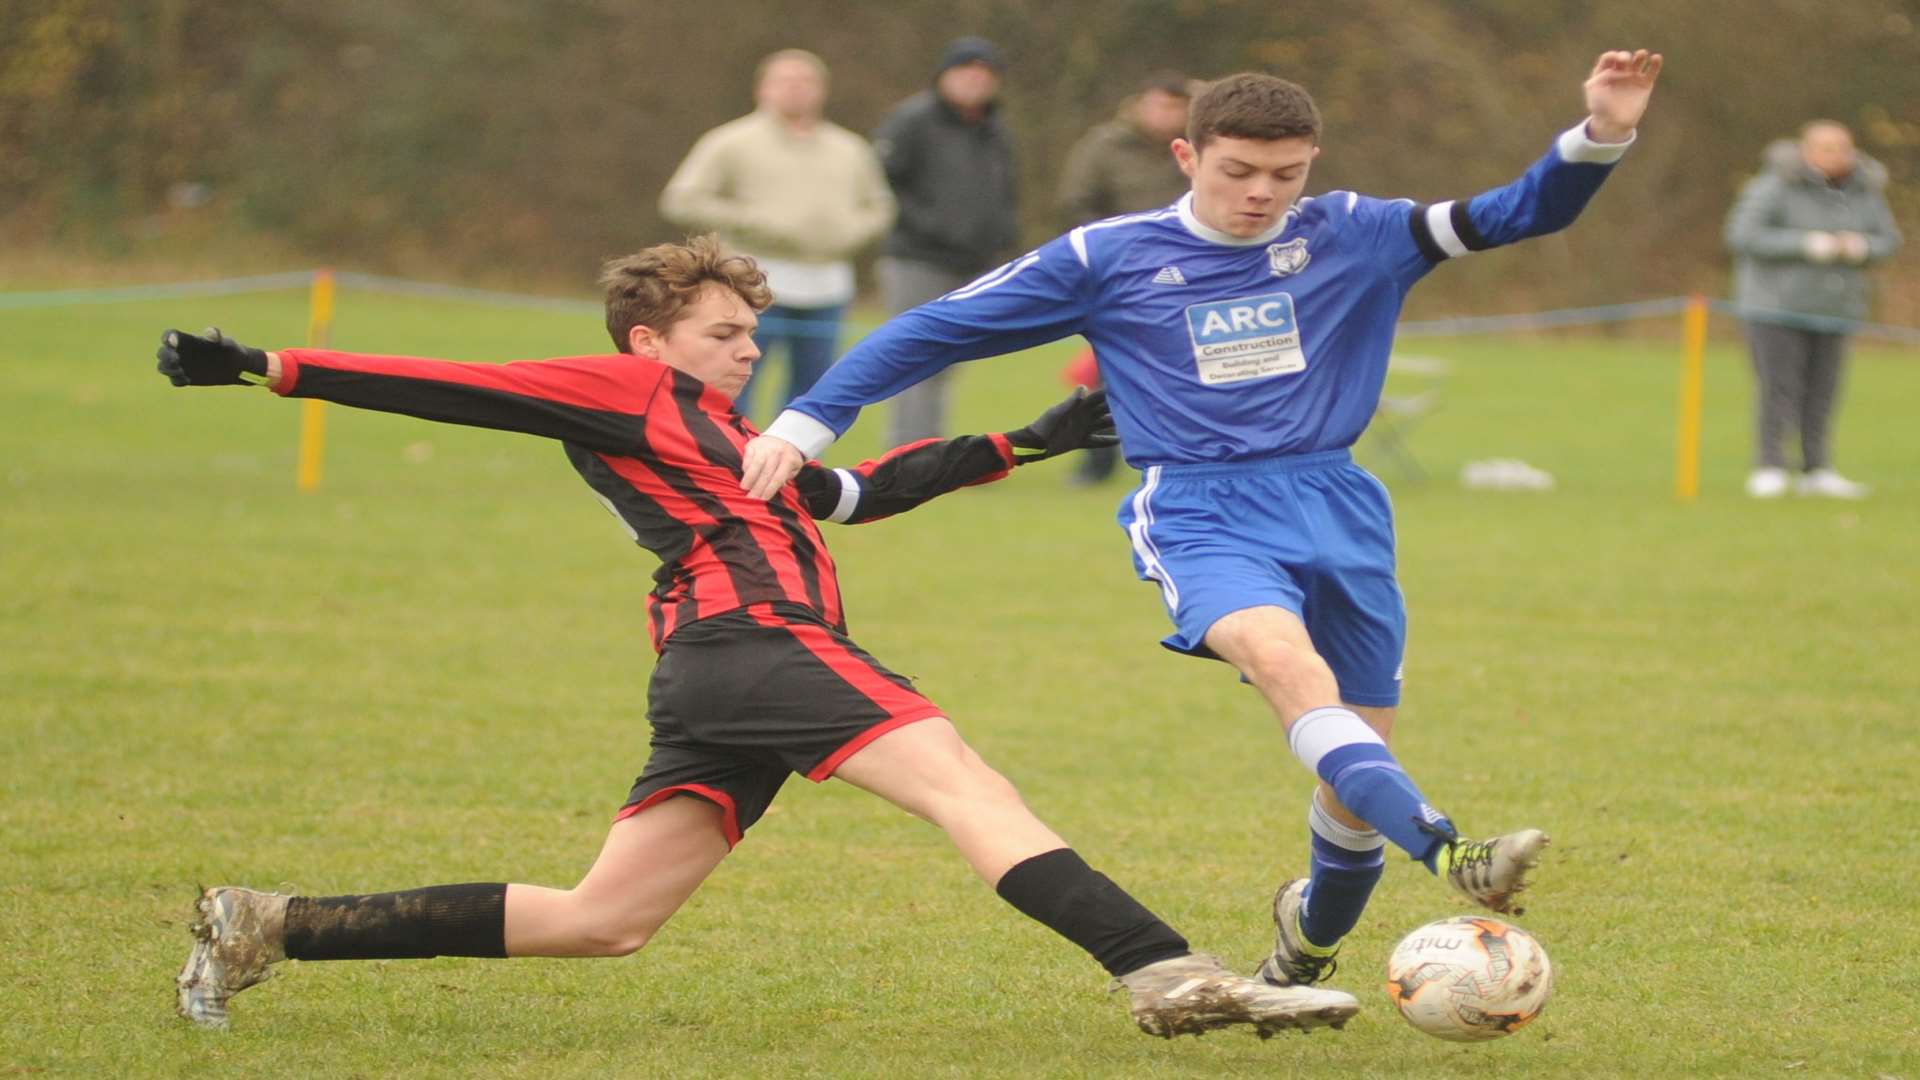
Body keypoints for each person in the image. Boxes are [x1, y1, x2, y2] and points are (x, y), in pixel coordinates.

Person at [159, 235, 1360, 1038]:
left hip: (715, 672)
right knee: (962, 783)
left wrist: (1030, 440)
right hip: (756, 641)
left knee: (603, 922)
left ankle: (272, 924)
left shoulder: (740, 443)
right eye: (726, 332)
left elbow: (866, 490)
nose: (748, 349)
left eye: (750, 332)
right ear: (649, 340)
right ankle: (1166, 972)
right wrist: (275, 367)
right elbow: (458, 386)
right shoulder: (627, 391)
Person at [742, 52, 1664, 996]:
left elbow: (1518, 212)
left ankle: (1306, 937)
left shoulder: (1354, 231)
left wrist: (1602, 133)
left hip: (1339, 505)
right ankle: (1447, 850)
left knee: (1352, 785)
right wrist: (803, 424)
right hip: (1200, 507)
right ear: (1186, 154)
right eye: (1238, 171)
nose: (1263, 194)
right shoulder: (1108, 256)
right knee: (1285, 666)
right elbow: (934, 327)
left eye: (1285, 174)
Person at [659, 49, 896, 422]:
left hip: (826, 286)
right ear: (763, 89)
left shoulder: (849, 148)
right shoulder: (730, 141)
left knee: (815, 390)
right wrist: (755, 221)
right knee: (736, 380)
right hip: (750, 283)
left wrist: (849, 232)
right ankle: (730, 462)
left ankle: (795, 470)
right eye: (786, 82)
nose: (796, 90)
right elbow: (682, 199)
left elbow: (880, 207)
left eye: (806, 82)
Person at [1724, 120, 1902, 500]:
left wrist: (1862, 247)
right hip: (1776, 307)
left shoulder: (1864, 190)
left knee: (1824, 391)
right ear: (1806, 150)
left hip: (1835, 308)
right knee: (1778, 388)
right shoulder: (1774, 184)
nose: (1837, 155)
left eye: (1843, 147)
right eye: (1827, 147)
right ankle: (1769, 466)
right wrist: (1806, 244)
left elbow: (1888, 239)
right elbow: (1743, 234)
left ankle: (1816, 468)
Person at [870, 35, 1018, 447]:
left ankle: (928, 445)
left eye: (984, 74)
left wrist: (1002, 233)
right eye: (965, 72)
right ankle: (909, 450)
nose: (975, 81)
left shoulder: (994, 130)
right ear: (944, 76)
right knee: (915, 355)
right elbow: (881, 183)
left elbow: (1004, 191)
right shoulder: (911, 121)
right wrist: (927, 223)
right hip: (917, 257)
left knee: (948, 360)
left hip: (973, 260)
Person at [1054, 71, 1194, 486]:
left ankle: (1182, 458)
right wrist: (1112, 251)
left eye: (1175, 106)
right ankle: (1094, 462)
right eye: (1158, 104)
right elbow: (1075, 202)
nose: (1164, 114)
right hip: (1122, 276)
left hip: (1193, 272)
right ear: (1140, 103)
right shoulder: (1104, 146)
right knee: (1109, 371)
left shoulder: (1205, 146)